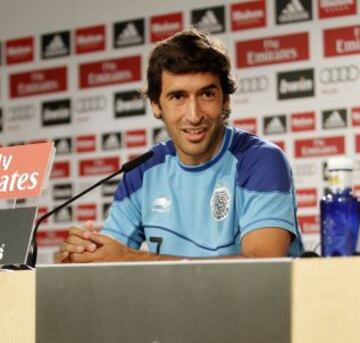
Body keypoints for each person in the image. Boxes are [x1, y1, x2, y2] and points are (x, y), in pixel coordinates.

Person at [56, 29, 302, 264]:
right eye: (178, 97)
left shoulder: (261, 161)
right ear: (156, 105)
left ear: (225, 100)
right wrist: (82, 255)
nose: (194, 115)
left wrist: (133, 258)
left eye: (206, 95)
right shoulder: (142, 172)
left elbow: (262, 266)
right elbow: (110, 259)